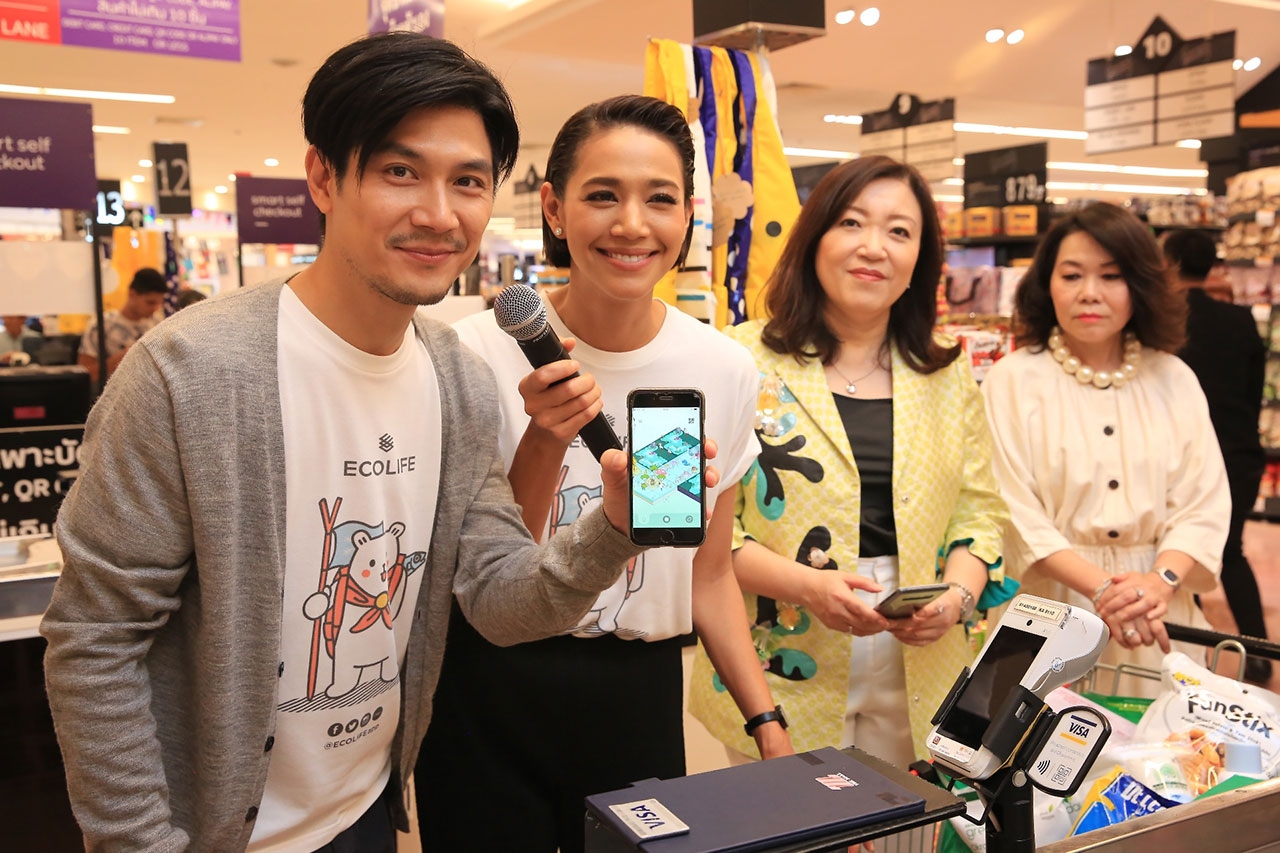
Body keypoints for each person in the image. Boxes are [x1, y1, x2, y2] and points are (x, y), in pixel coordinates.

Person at [40, 33, 656, 853]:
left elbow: (498, 601)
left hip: (366, 811)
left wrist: (612, 528)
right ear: (324, 177)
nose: (439, 213)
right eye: (400, 171)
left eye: (468, 181)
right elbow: (95, 638)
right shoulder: (190, 374)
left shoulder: (460, 380)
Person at [417, 95, 791, 853]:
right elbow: (489, 569)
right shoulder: (470, 353)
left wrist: (766, 722)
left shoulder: (721, 368)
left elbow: (710, 573)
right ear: (554, 208)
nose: (631, 225)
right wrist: (545, 438)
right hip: (488, 686)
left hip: (636, 692)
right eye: (602, 195)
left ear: (688, 216)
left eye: (660, 199)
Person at [687, 155, 1012, 769]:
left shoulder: (946, 370)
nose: (874, 247)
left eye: (899, 231)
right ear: (815, 237)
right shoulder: (735, 358)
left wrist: (957, 598)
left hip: (922, 653)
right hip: (775, 655)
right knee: (789, 815)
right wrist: (809, 586)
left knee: (910, 813)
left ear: (920, 259)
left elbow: (979, 513)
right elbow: (702, 527)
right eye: (852, 223)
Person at [982, 203, 1230, 698]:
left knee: (1163, 743)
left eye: (1111, 276)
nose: (1089, 293)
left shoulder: (1174, 378)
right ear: (1046, 284)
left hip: (1157, 614)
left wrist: (1158, 581)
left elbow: (1203, 503)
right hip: (1049, 609)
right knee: (1032, 742)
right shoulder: (1012, 380)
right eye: (1071, 275)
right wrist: (1103, 588)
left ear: (1139, 284)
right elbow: (1012, 510)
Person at [1164, 228, 1272, 684]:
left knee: (1175, 551)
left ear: (1168, 263)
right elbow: (1253, 392)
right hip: (1239, 453)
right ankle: (1258, 652)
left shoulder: (1164, 320)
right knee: (1231, 550)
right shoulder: (1240, 320)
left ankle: (1190, 653)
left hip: (1178, 458)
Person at [77, 266, 167, 382]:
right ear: (132, 294)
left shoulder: (159, 324)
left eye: (159, 303)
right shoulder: (100, 326)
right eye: (150, 303)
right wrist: (123, 358)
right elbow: (84, 374)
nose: (155, 308)